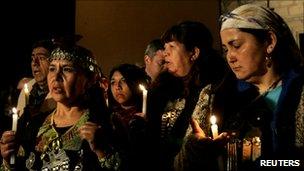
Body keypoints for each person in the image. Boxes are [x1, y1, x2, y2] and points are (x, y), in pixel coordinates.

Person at [174, 4, 304, 171]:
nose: (230, 57)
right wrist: (195, 150)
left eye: (236, 45)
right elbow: (179, 166)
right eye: (225, 49)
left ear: (269, 42)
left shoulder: (299, 93)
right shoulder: (213, 95)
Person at [0, 44, 120, 170]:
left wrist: (103, 152)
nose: (56, 77)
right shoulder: (35, 125)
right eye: (52, 69)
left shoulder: (106, 123)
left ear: (89, 80)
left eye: (67, 69)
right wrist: (8, 160)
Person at [146, 20, 227, 171]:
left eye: (172, 46)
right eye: (165, 47)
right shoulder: (162, 91)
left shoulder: (216, 90)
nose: (165, 53)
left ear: (194, 53)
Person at [108, 63, 149, 171]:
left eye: (124, 81)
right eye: (113, 82)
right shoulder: (108, 118)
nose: (117, 87)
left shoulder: (151, 115)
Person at [16, 39, 56, 117]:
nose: (35, 63)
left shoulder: (60, 91)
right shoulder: (27, 89)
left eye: (41, 58)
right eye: (32, 59)